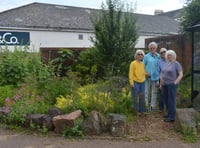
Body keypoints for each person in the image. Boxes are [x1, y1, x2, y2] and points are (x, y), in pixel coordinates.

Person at [160, 50, 183, 122]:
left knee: (171, 100)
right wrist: (161, 84)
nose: (169, 56)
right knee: (166, 99)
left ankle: (172, 117)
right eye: (168, 55)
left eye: (170, 55)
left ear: (173, 56)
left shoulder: (176, 64)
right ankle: (169, 113)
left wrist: (175, 82)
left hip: (171, 84)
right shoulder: (166, 63)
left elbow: (181, 74)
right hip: (164, 84)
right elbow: (162, 74)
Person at [143, 42, 160, 112]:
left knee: (154, 92)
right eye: (151, 48)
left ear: (156, 48)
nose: (152, 49)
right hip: (147, 77)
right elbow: (142, 66)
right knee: (146, 92)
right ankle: (146, 106)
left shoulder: (158, 56)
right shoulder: (146, 56)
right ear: (149, 48)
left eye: (154, 48)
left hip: (155, 77)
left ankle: (152, 107)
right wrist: (145, 73)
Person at [129, 49, 146, 115]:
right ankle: (136, 111)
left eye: (141, 54)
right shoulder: (133, 63)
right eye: (138, 54)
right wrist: (131, 82)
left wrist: (147, 74)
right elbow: (130, 73)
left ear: (143, 56)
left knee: (142, 96)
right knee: (135, 97)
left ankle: (142, 111)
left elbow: (143, 72)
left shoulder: (142, 64)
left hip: (142, 82)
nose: (140, 55)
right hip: (135, 82)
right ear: (136, 55)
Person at [158, 48, 167, 112]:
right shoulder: (159, 62)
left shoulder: (170, 60)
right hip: (162, 79)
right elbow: (158, 72)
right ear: (160, 55)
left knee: (169, 93)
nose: (163, 53)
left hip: (170, 79)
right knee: (162, 93)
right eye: (161, 52)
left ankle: (168, 108)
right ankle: (161, 108)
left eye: (164, 51)